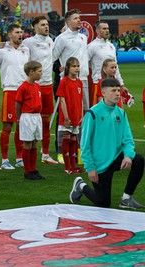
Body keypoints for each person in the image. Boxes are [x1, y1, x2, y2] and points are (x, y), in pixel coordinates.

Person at [70, 78, 145, 209]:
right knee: (103, 203)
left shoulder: (121, 113)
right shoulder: (93, 113)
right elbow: (84, 144)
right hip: (100, 164)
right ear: (103, 93)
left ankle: (126, 199)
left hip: (116, 157)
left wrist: (128, 155)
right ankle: (80, 185)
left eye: (118, 90)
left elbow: (127, 139)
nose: (117, 93)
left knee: (138, 160)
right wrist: (90, 168)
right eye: (113, 90)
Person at [23, 16, 58, 165]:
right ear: (35, 27)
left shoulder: (51, 41)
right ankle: (21, 156)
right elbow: (23, 62)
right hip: (34, 86)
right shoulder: (28, 42)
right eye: (42, 25)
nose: (46, 27)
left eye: (47, 24)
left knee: (45, 121)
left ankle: (45, 154)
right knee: (28, 121)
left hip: (48, 85)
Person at [0, 24, 28, 170]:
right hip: (10, 89)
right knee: (8, 126)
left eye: (21, 32)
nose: (20, 34)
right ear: (10, 35)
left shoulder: (25, 50)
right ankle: (4, 159)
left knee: (21, 125)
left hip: (24, 90)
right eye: (17, 32)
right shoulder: (1, 51)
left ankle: (19, 158)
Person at [53, 9, 89, 111]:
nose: (79, 20)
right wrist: (58, 68)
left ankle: (83, 128)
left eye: (79, 18)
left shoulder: (83, 37)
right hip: (68, 80)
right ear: (68, 22)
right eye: (75, 18)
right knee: (70, 110)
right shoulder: (61, 38)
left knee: (84, 111)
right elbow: (52, 57)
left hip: (83, 79)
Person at [15, 61, 45, 180]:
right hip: (27, 116)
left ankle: (33, 169)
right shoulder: (23, 87)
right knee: (27, 142)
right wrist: (18, 118)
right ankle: (27, 171)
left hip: (37, 116)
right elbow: (18, 103)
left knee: (35, 141)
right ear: (31, 72)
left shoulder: (37, 86)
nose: (41, 74)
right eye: (39, 71)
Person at [88, 21, 127, 107]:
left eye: (108, 28)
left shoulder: (111, 46)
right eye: (104, 28)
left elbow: (116, 67)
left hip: (113, 83)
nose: (107, 31)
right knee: (100, 113)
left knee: (116, 112)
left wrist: (121, 84)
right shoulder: (92, 46)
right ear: (97, 31)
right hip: (98, 83)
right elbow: (85, 63)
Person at [56, 57, 84, 174]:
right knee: (66, 139)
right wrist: (66, 117)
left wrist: (81, 115)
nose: (76, 68)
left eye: (77, 66)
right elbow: (62, 100)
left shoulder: (79, 82)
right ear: (68, 68)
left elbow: (81, 100)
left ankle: (74, 166)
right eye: (74, 66)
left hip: (76, 115)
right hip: (67, 116)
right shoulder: (64, 81)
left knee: (74, 140)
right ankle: (67, 167)